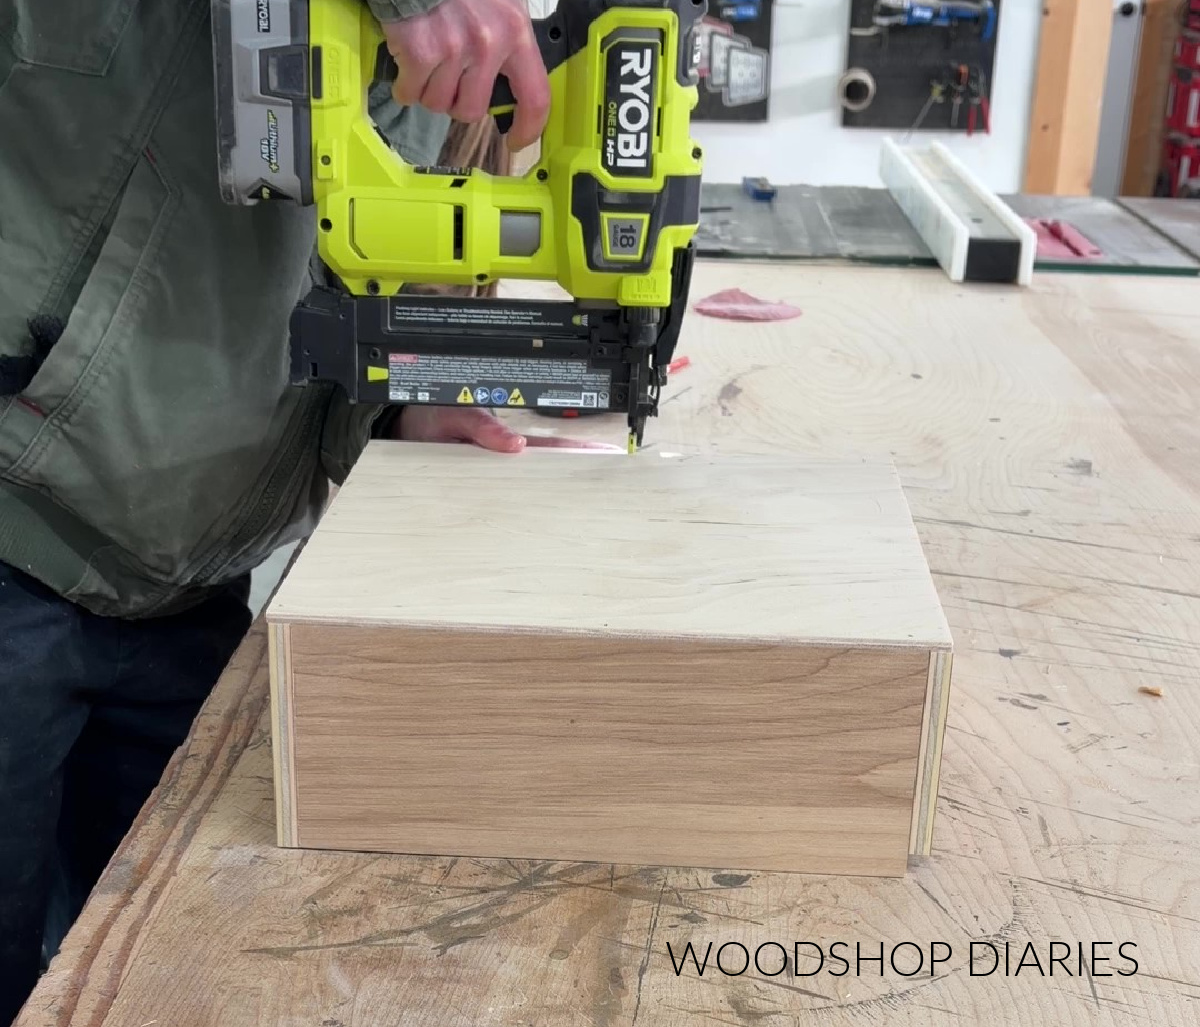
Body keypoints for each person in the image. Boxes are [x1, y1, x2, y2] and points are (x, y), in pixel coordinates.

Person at [0, 0, 590, 1020]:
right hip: (17, 530)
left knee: (143, 984)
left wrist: (401, 408)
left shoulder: (452, 62)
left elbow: (342, 290)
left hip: (194, 580)